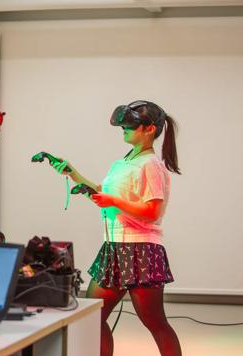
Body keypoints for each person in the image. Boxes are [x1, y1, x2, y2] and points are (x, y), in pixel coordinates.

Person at [50, 101, 182, 356]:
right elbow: (103, 194)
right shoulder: (123, 162)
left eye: (130, 126)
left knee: (155, 322)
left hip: (141, 249)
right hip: (114, 247)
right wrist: (73, 174)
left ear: (149, 129)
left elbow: (152, 211)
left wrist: (113, 201)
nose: (123, 129)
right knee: (90, 315)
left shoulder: (151, 165)